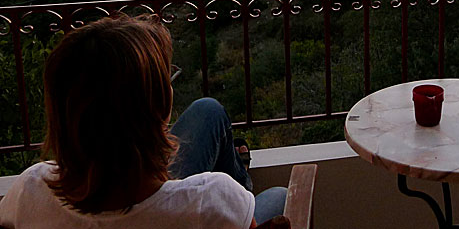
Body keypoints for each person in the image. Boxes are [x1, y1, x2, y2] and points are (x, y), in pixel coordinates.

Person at [0, 14, 286, 228]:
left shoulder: (30, 189)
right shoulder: (210, 200)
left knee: (208, 109)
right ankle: (243, 182)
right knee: (278, 194)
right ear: (160, 106)